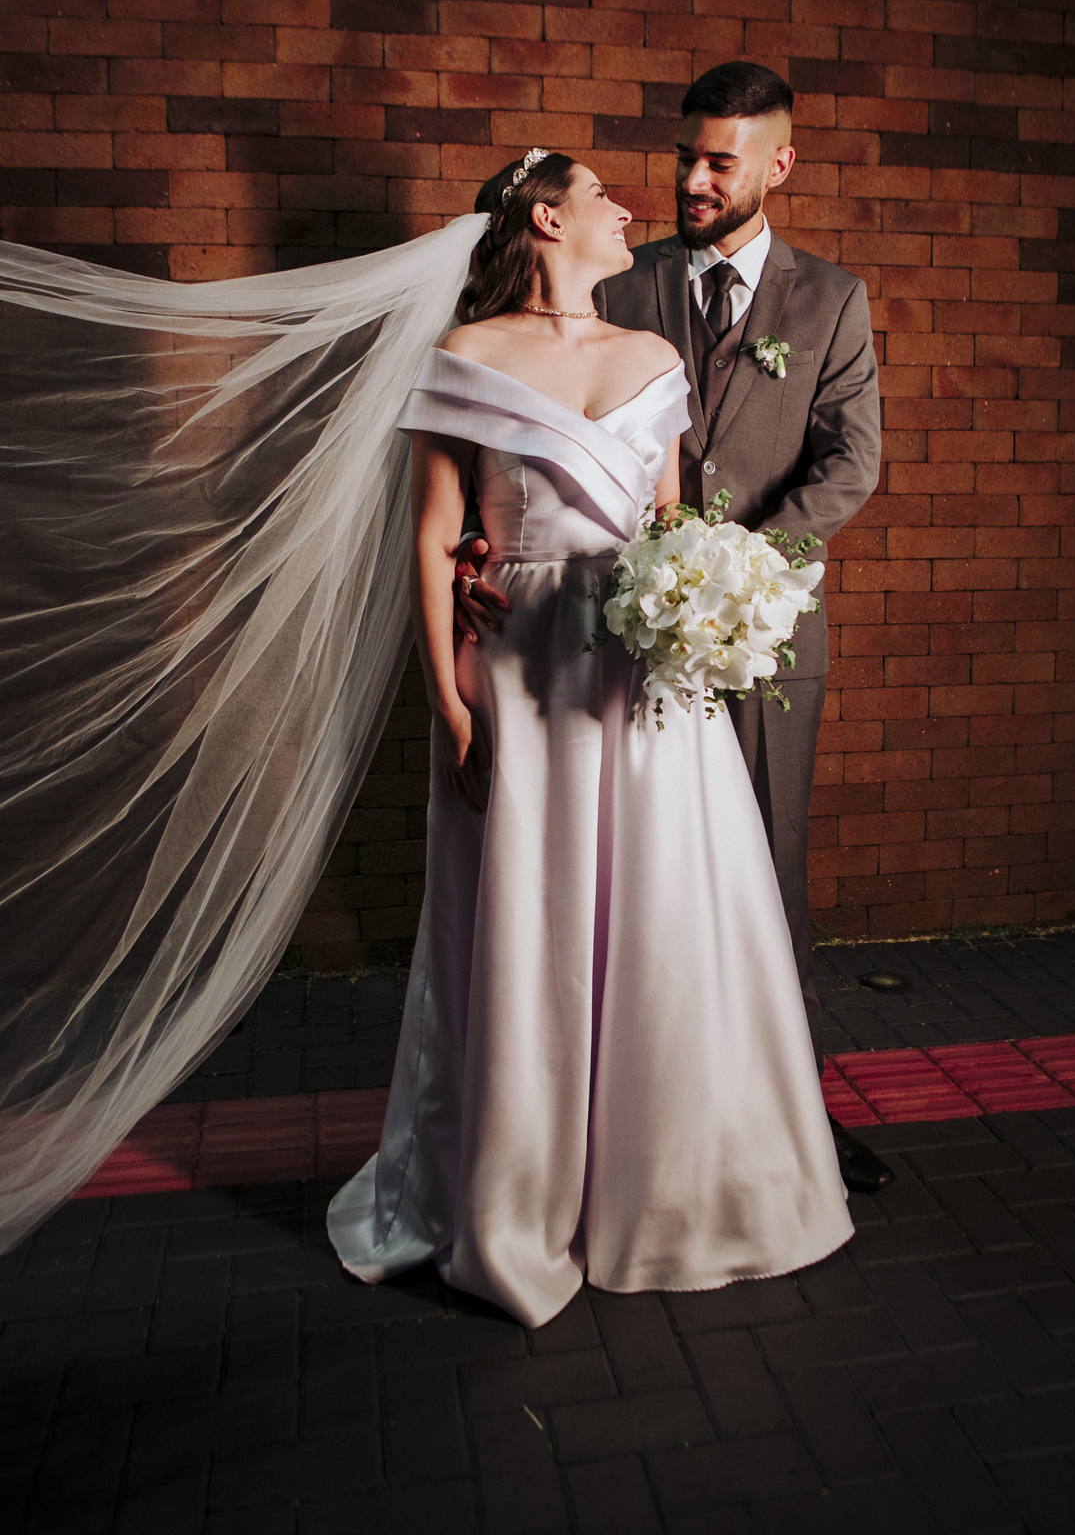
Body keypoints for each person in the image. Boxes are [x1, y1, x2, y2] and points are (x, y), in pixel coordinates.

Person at [325, 149, 854, 1327]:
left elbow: (665, 523)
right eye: (600, 193)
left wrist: (706, 604)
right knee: (534, 915)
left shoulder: (653, 357)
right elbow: (434, 540)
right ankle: (521, 1189)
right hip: (516, 667)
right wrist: (450, 708)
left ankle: (667, 1184)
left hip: (640, 664)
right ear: (547, 215)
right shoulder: (465, 353)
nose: (626, 207)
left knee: (665, 908)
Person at [457, 66, 893, 1195]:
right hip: (607, 635)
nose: (692, 181)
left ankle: (791, 1116)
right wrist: (479, 541)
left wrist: (730, 573)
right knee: (639, 881)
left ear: (778, 165)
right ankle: (633, 1122)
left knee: (764, 877)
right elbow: (523, 420)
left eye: (719, 164)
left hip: (759, 632)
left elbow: (852, 463)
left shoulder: (830, 298)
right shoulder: (622, 275)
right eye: (686, 157)